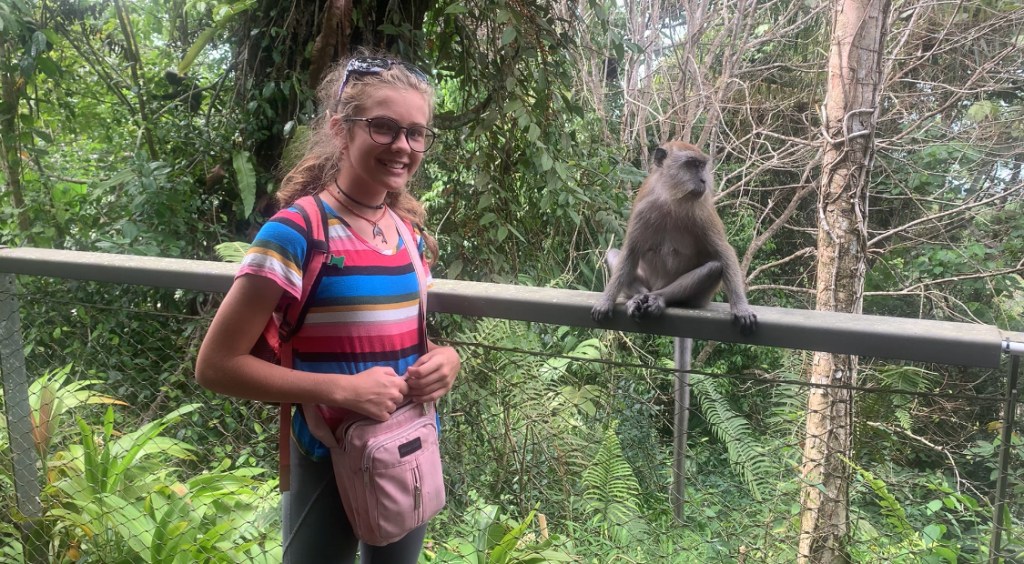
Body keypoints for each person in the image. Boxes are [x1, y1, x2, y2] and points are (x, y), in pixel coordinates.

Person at [195, 49, 461, 563]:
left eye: (416, 132)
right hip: (328, 454)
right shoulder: (296, 232)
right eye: (384, 127)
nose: (403, 145)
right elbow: (216, 366)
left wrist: (446, 359)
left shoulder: (408, 234)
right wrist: (342, 389)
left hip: (407, 448)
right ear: (342, 128)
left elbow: (395, 335)